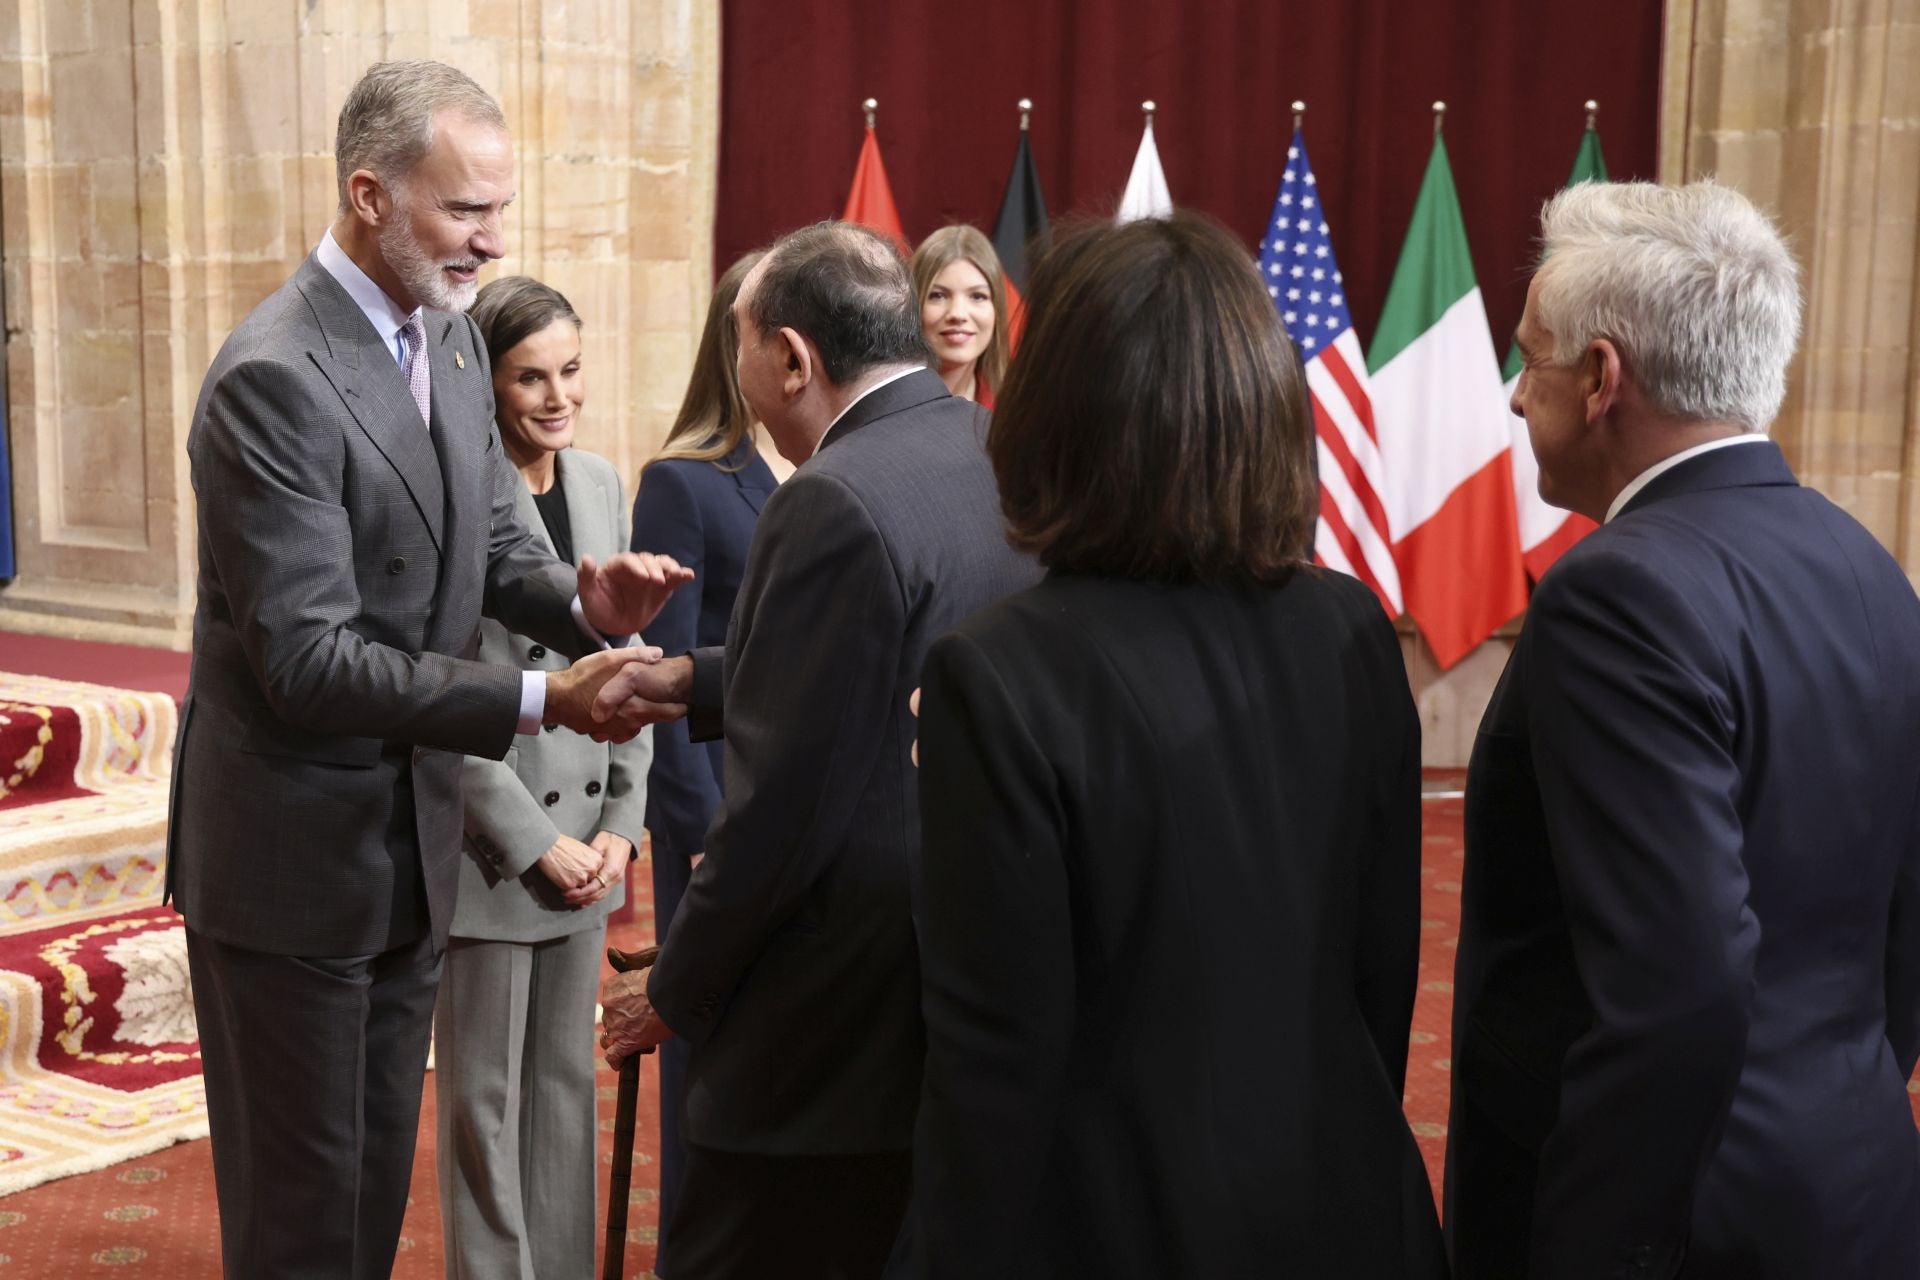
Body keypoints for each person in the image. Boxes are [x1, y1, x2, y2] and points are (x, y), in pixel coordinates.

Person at [169, 61, 688, 1278]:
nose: (492, 241)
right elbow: (308, 659)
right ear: (369, 195)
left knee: (363, 1205)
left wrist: (578, 600)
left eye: (498, 211)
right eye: (466, 211)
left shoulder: (452, 340)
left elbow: (493, 536)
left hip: (412, 850)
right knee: (301, 1224)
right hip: (291, 864)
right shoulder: (272, 377)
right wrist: (532, 699)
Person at [906, 213, 1445, 1278]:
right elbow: (1385, 974)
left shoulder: (998, 670)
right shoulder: (1351, 630)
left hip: (1113, 1227)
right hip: (1345, 1205)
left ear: (1055, 412)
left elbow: (995, 1066)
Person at [1446, 180, 1920, 1277]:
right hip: (1853, 1183)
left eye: (1534, 360)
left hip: (1675, 1221)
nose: (1518, 398)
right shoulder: (1870, 569)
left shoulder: (1619, 593)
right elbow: (1901, 922)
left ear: (1603, 378)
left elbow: (1681, 980)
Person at [596, 221, 1041, 1278]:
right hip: (952, 968)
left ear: (791, 357)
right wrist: (695, 678)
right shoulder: (985, 447)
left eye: (742, 350)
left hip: (825, 1027)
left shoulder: (829, 499)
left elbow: (781, 811)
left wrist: (676, 987)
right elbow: (880, 669)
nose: (742, 382)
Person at [432, 276, 651, 1279]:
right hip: (497, 854)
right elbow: (441, 701)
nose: (557, 395)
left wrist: (620, 822)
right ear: (488, 383)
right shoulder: (453, 499)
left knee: (565, 1088)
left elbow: (631, 666)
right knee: (485, 1101)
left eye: (570, 369)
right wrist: (535, 840)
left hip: (591, 857)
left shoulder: (602, 481)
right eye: (531, 375)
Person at [626, 250, 791, 1273]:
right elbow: (664, 680)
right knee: (705, 1073)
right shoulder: (684, 478)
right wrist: (695, 844)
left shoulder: (831, 461)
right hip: (719, 822)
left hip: (806, 819)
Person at [909, 225, 1007, 404]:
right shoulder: (882, 413)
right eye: (938, 295)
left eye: (978, 296)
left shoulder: (1014, 411)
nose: (957, 314)